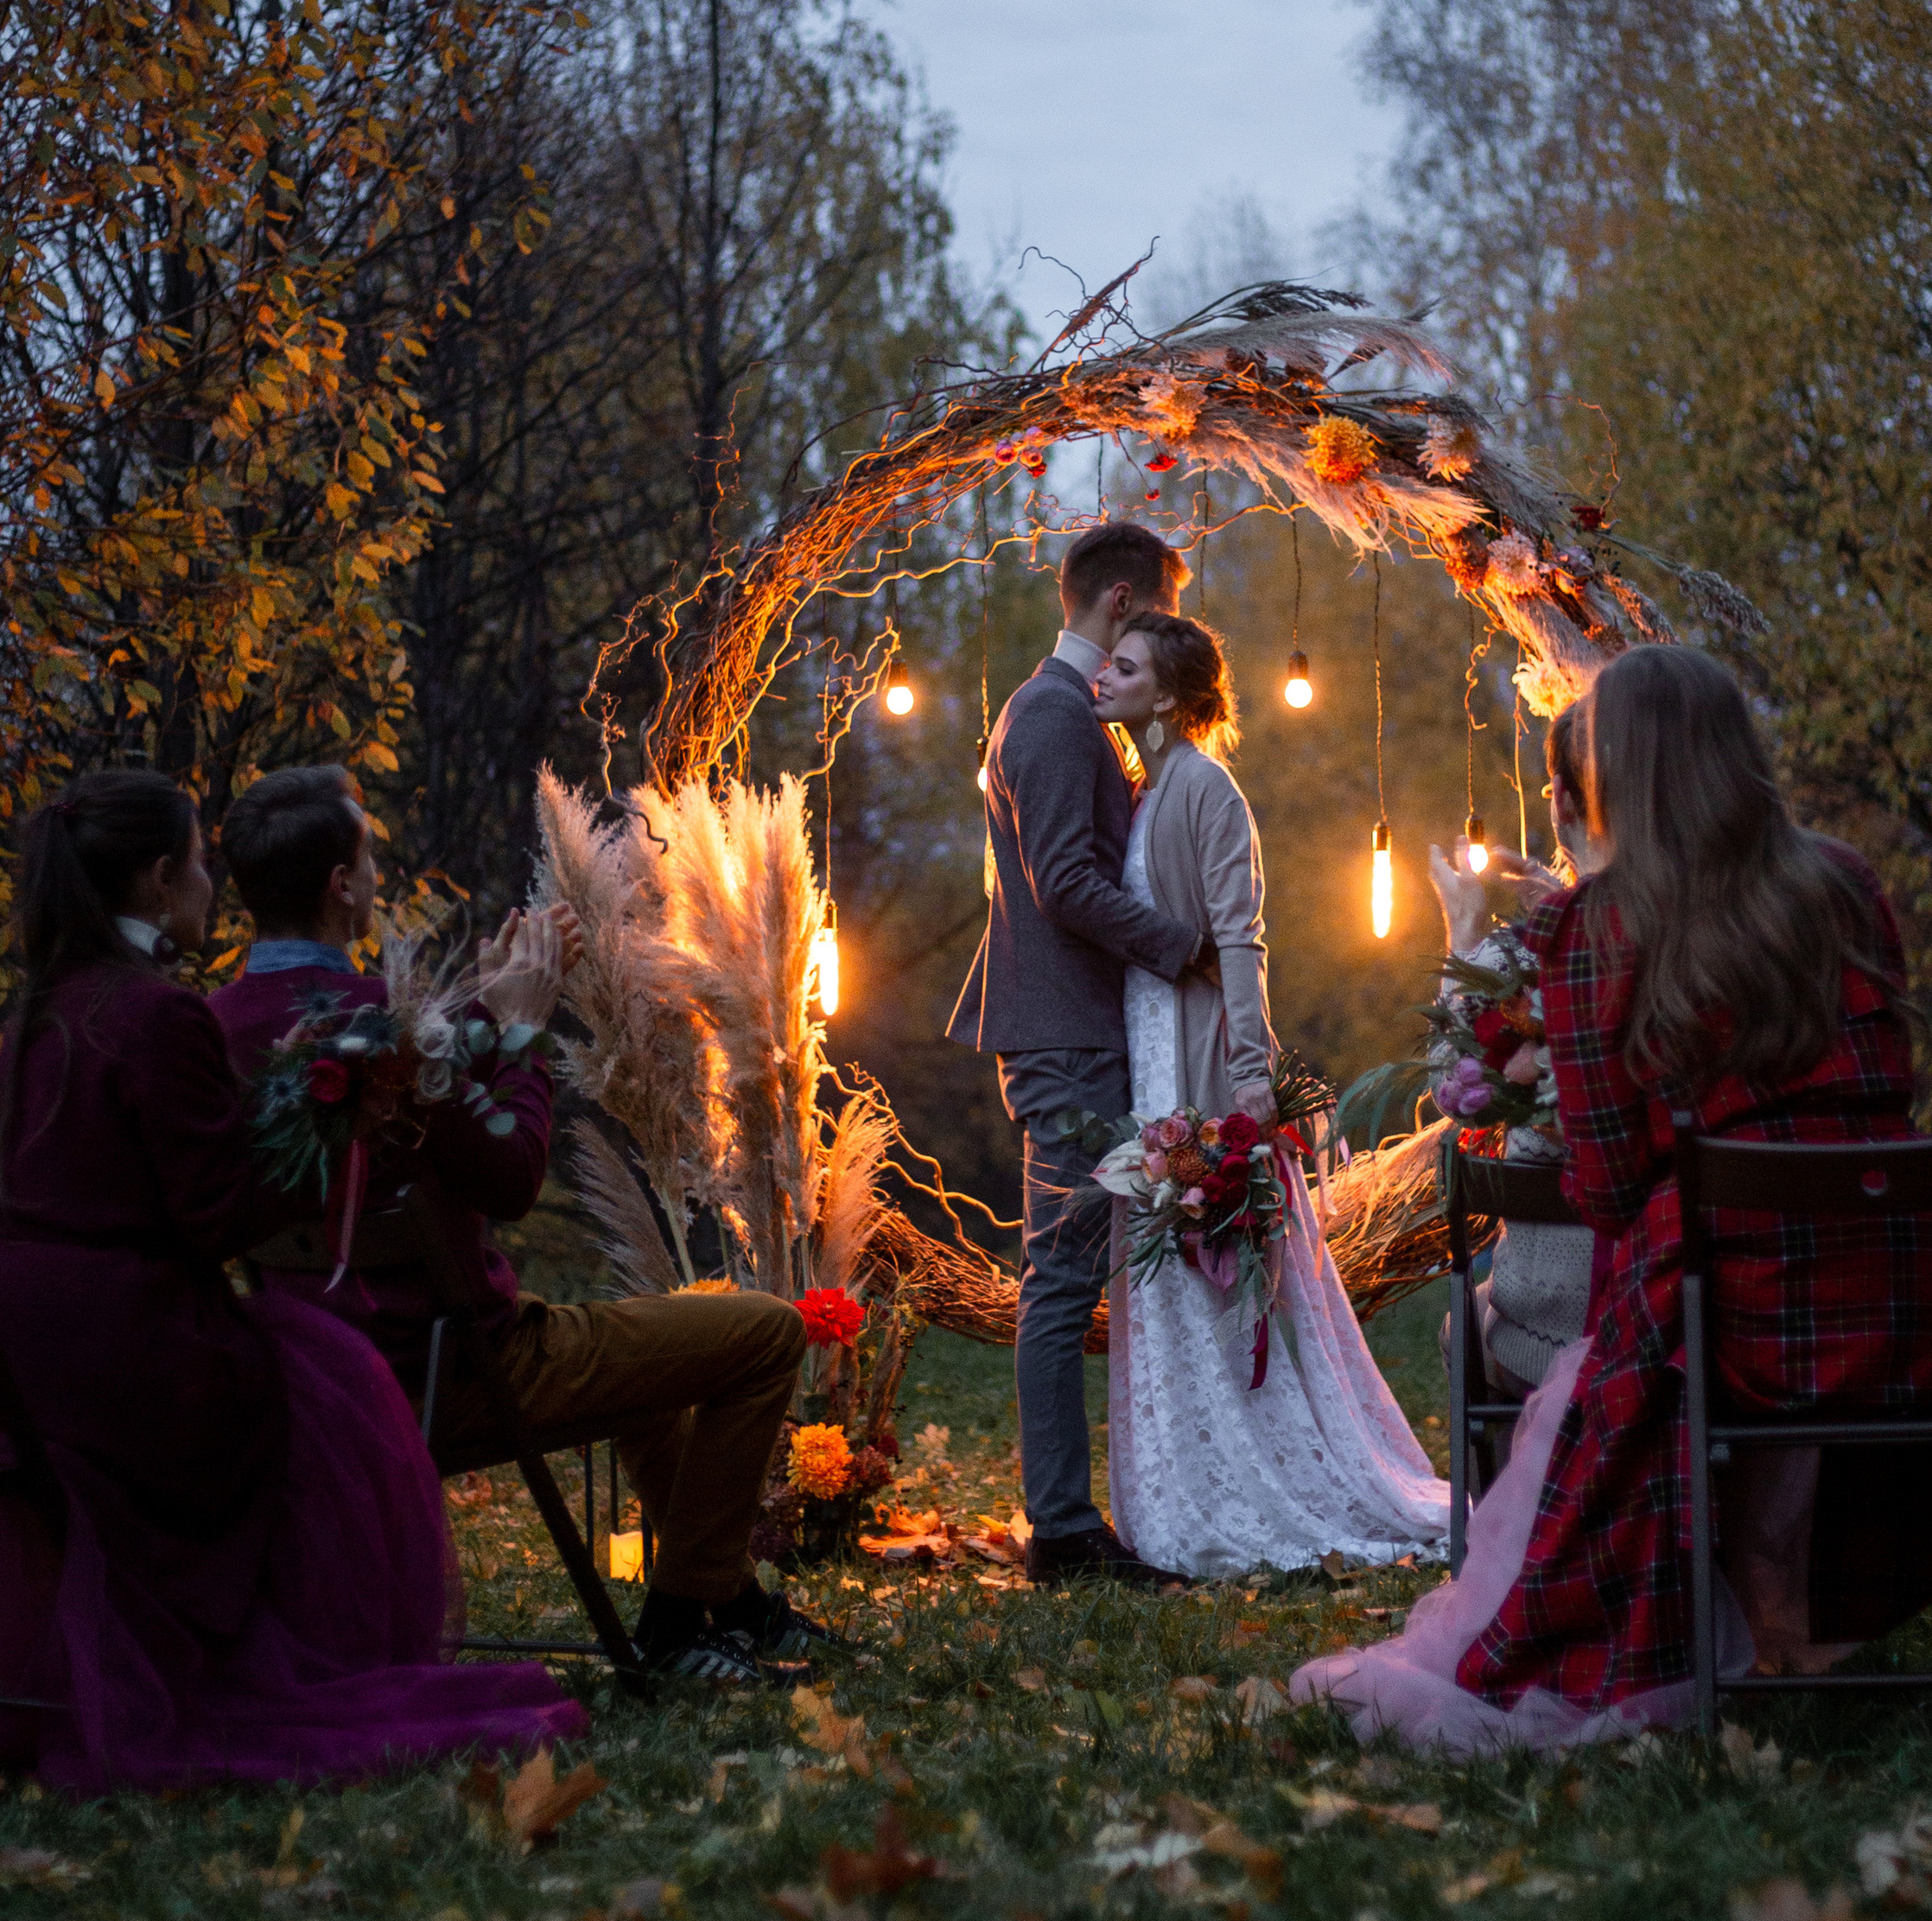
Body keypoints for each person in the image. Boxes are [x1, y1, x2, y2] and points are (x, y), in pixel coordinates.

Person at [1293, 645, 1932, 1752]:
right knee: (1759, 1280)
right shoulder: (1842, 882)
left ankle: (1744, 1621)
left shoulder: (1591, 927)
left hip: (1721, 1332)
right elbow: (1892, 1085)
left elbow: (1601, 1185)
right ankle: (1788, 1617)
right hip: (1922, 1318)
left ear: (1614, 781)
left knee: (1659, 1313)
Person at [0, 770, 582, 1791]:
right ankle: (292, 1651)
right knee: (323, 1400)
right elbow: (220, 1211)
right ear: (154, 877)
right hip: (137, 1347)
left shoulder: (32, 1015)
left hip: (26, 1352)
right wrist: (339, 1112)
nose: (207, 887)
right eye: (194, 864)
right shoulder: (153, 1015)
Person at [210, 766, 818, 1686]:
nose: (374, 874)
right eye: (368, 856)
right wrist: (528, 1027)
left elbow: (426, 1129)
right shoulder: (388, 1025)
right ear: (342, 885)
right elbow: (508, 1180)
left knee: (653, 1373)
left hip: (319, 1383)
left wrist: (490, 1009)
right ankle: (681, 1617)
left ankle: (733, 1606)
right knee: (767, 1332)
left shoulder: (213, 1028)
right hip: (461, 1372)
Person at [1096, 609, 1450, 1575]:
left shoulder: (1207, 787)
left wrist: (1247, 1077)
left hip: (1195, 1055)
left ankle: (1253, 1478)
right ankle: (1187, 1478)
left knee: (1213, 1264)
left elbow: (1241, 936)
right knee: (1160, 1274)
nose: (1105, 678)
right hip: (1145, 1042)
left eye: (1124, 669)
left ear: (1168, 695)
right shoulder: (1147, 784)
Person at [949, 523, 1209, 1586]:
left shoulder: (1056, 713)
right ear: (1115, 602)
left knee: (1068, 1276)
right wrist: (1182, 950)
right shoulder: (1053, 717)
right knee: (1058, 1281)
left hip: (1072, 1029)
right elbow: (1064, 883)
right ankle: (1060, 1529)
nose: (1158, 635)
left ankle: (1075, 1516)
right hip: (1063, 1036)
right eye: (1152, 616)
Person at [1428, 699, 1598, 1401]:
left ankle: (1517, 1506)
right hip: (1716, 1313)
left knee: (1462, 1328)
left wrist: (1465, 931)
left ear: (1560, 805)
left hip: (1563, 1327)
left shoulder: (1544, 952)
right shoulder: (1725, 927)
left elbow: (1452, 1086)